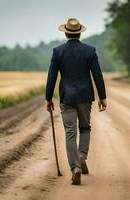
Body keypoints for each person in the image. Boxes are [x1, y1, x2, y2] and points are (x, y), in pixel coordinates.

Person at [45, 18, 107, 185]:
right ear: (80, 33)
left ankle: (75, 168)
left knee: (70, 134)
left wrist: (48, 98)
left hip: (67, 98)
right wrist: (102, 97)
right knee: (85, 128)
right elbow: (97, 75)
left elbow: (52, 76)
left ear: (66, 33)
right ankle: (82, 156)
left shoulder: (58, 51)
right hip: (85, 97)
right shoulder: (90, 51)